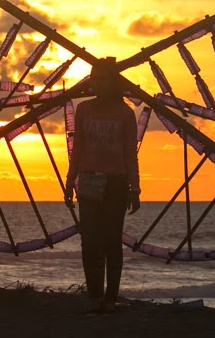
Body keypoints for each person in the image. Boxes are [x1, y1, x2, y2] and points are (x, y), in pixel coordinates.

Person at [63, 58, 141, 314]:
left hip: (116, 183)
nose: (98, 83)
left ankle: (110, 298)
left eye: (104, 78)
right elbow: (78, 150)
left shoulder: (125, 114)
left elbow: (131, 153)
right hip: (89, 180)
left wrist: (135, 188)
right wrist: (69, 180)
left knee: (111, 242)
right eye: (95, 78)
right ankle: (94, 297)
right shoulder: (84, 110)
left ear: (113, 82)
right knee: (89, 243)